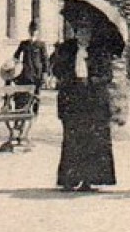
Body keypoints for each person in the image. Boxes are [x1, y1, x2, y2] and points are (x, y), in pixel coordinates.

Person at [54, 26, 115, 192]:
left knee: (90, 142)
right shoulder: (66, 50)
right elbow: (57, 70)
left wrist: (91, 80)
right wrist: (71, 78)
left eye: (87, 32)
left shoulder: (100, 52)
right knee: (72, 140)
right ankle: (69, 179)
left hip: (93, 102)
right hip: (73, 101)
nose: (83, 36)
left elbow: (107, 76)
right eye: (80, 32)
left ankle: (88, 180)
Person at [11, 22, 50, 110]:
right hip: (26, 73)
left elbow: (45, 60)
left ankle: (35, 111)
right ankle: (25, 110)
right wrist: (17, 66)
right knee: (25, 93)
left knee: (36, 94)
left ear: (38, 32)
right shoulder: (24, 44)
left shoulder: (41, 44)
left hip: (37, 73)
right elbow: (15, 56)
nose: (33, 32)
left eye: (35, 30)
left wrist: (45, 73)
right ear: (29, 31)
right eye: (31, 30)